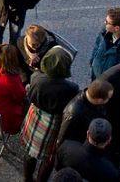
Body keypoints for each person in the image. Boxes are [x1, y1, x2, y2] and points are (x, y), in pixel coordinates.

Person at [20, 47, 79, 182]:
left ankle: (26, 179)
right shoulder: (71, 88)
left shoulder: (35, 76)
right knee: (48, 158)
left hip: (34, 114)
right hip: (53, 121)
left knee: (29, 152)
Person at [55, 118, 120, 181]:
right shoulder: (112, 173)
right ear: (109, 140)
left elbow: (58, 168)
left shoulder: (66, 146)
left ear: (87, 134)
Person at [57, 79, 114, 146]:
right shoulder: (73, 113)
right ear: (99, 100)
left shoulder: (93, 100)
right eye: (109, 98)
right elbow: (63, 140)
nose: (110, 99)